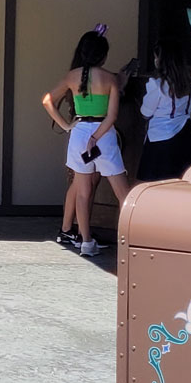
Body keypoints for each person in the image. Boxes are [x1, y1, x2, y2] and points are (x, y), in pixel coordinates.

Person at [42, 29, 131, 256]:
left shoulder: (72, 76)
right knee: (123, 194)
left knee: (82, 191)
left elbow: (47, 100)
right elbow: (112, 117)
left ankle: (86, 242)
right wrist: (96, 137)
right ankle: (127, 242)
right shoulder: (110, 79)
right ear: (103, 56)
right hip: (104, 135)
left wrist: (65, 125)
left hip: (79, 132)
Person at [136, 39, 191, 181]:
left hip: (160, 139)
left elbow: (145, 113)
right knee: (181, 181)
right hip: (186, 135)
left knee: (156, 184)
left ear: (161, 60)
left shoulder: (157, 84)